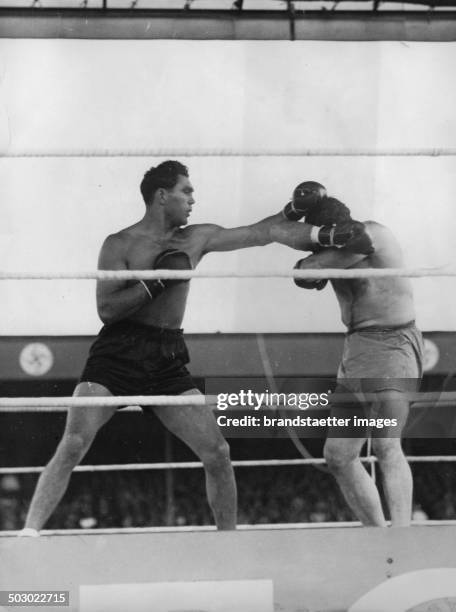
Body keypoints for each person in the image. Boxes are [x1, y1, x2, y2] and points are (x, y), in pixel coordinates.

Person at [21, 163, 371, 535]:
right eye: (186, 191)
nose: (193, 199)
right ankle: (27, 534)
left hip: (166, 356)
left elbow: (260, 232)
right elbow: (106, 309)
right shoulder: (119, 244)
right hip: (117, 353)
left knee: (217, 452)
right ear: (161, 196)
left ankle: (227, 544)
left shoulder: (195, 239)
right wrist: (157, 282)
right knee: (74, 442)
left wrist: (310, 226)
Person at [293, 196, 423, 527]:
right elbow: (303, 275)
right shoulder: (329, 255)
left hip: (393, 343)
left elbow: (308, 271)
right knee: (338, 455)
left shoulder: (374, 234)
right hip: (357, 348)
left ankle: (401, 540)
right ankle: (378, 535)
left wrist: (315, 260)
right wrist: (315, 260)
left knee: (386, 445)